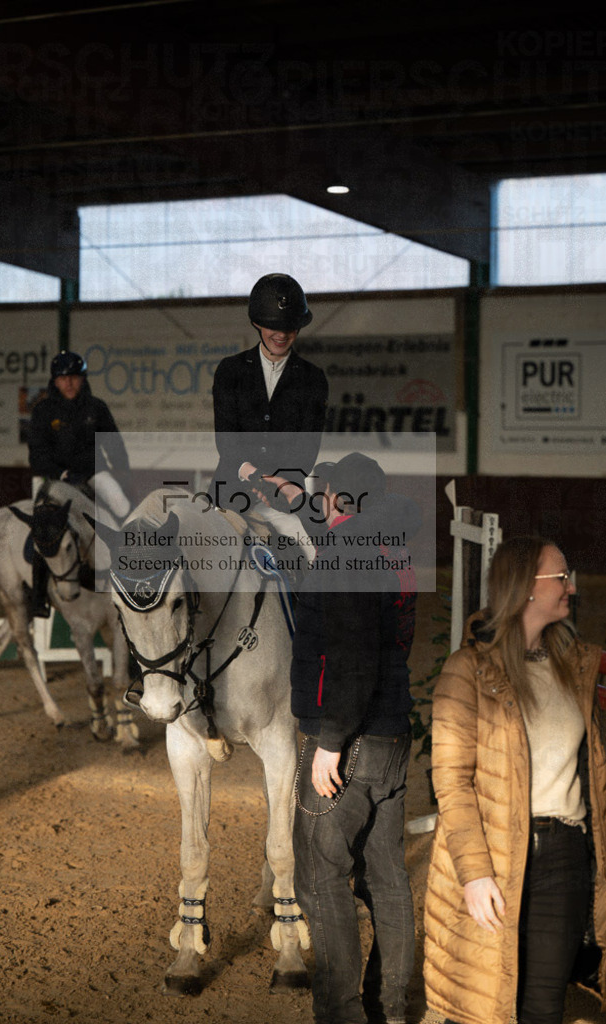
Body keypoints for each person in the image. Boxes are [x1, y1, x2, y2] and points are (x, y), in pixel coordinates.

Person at [423, 535, 606, 1024]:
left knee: (543, 1007)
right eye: (560, 576)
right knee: (487, 1008)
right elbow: (452, 782)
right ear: (525, 588)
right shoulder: (468, 671)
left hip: (564, 855)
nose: (572, 586)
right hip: (497, 857)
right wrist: (475, 872)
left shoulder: (582, 666)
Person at [291, 452, 422, 1024]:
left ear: (337, 500)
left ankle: (341, 1013)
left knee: (321, 875)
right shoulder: (395, 550)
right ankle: (394, 1009)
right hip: (394, 734)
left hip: (350, 738)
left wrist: (329, 742)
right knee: (389, 878)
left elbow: (350, 659)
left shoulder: (343, 554)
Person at [211, 273, 328, 551]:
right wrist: (253, 475)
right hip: (230, 491)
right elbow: (226, 440)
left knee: (312, 556)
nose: (282, 334)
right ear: (256, 322)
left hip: (283, 497)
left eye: (290, 326)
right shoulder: (230, 370)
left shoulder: (314, 378)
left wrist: (280, 484)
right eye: (274, 326)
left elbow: (307, 449)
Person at [27, 349, 131, 616]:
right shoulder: (43, 410)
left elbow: (115, 445)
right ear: (54, 381)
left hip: (94, 474)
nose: (69, 383)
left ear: (82, 378)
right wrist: (59, 473)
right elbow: (37, 453)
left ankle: (132, 574)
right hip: (57, 477)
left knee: (121, 505)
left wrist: (122, 473)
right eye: (63, 378)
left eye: (74, 377)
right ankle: (38, 595)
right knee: (43, 523)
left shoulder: (96, 407)